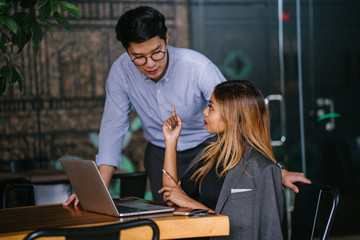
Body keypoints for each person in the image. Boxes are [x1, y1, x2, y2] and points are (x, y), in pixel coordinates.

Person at [64, 6, 310, 205]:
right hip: (160, 151)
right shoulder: (121, 72)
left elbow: (237, 117)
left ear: (166, 39)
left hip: (210, 150)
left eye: (157, 52)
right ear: (127, 51)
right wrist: (95, 192)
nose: (150, 63)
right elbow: (112, 130)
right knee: (168, 218)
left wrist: (274, 171)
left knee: (210, 216)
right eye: (138, 57)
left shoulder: (198, 68)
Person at [159, 80, 284, 239]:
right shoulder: (209, 154)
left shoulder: (262, 169)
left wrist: (189, 203)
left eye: (211, 107)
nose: (205, 112)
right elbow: (172, 195)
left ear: (232, 115)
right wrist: (170, 141)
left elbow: (267, 233)